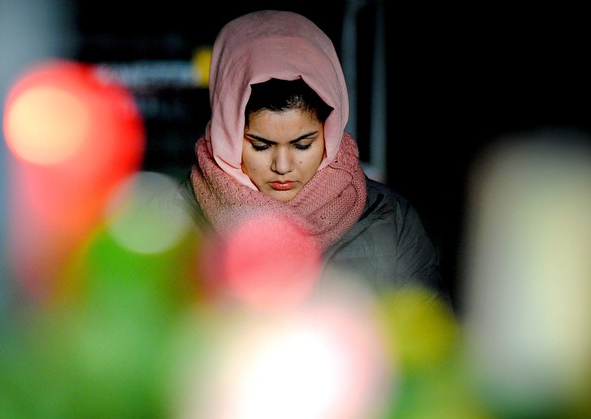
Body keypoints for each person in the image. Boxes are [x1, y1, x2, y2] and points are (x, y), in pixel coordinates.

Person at [179, 9, 450, 304]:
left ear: (329, 132)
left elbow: (428, 341)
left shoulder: (388, 220)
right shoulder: (175, 226)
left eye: (303, 145)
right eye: (260, 145)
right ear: (226, 134)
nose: (282, 166)